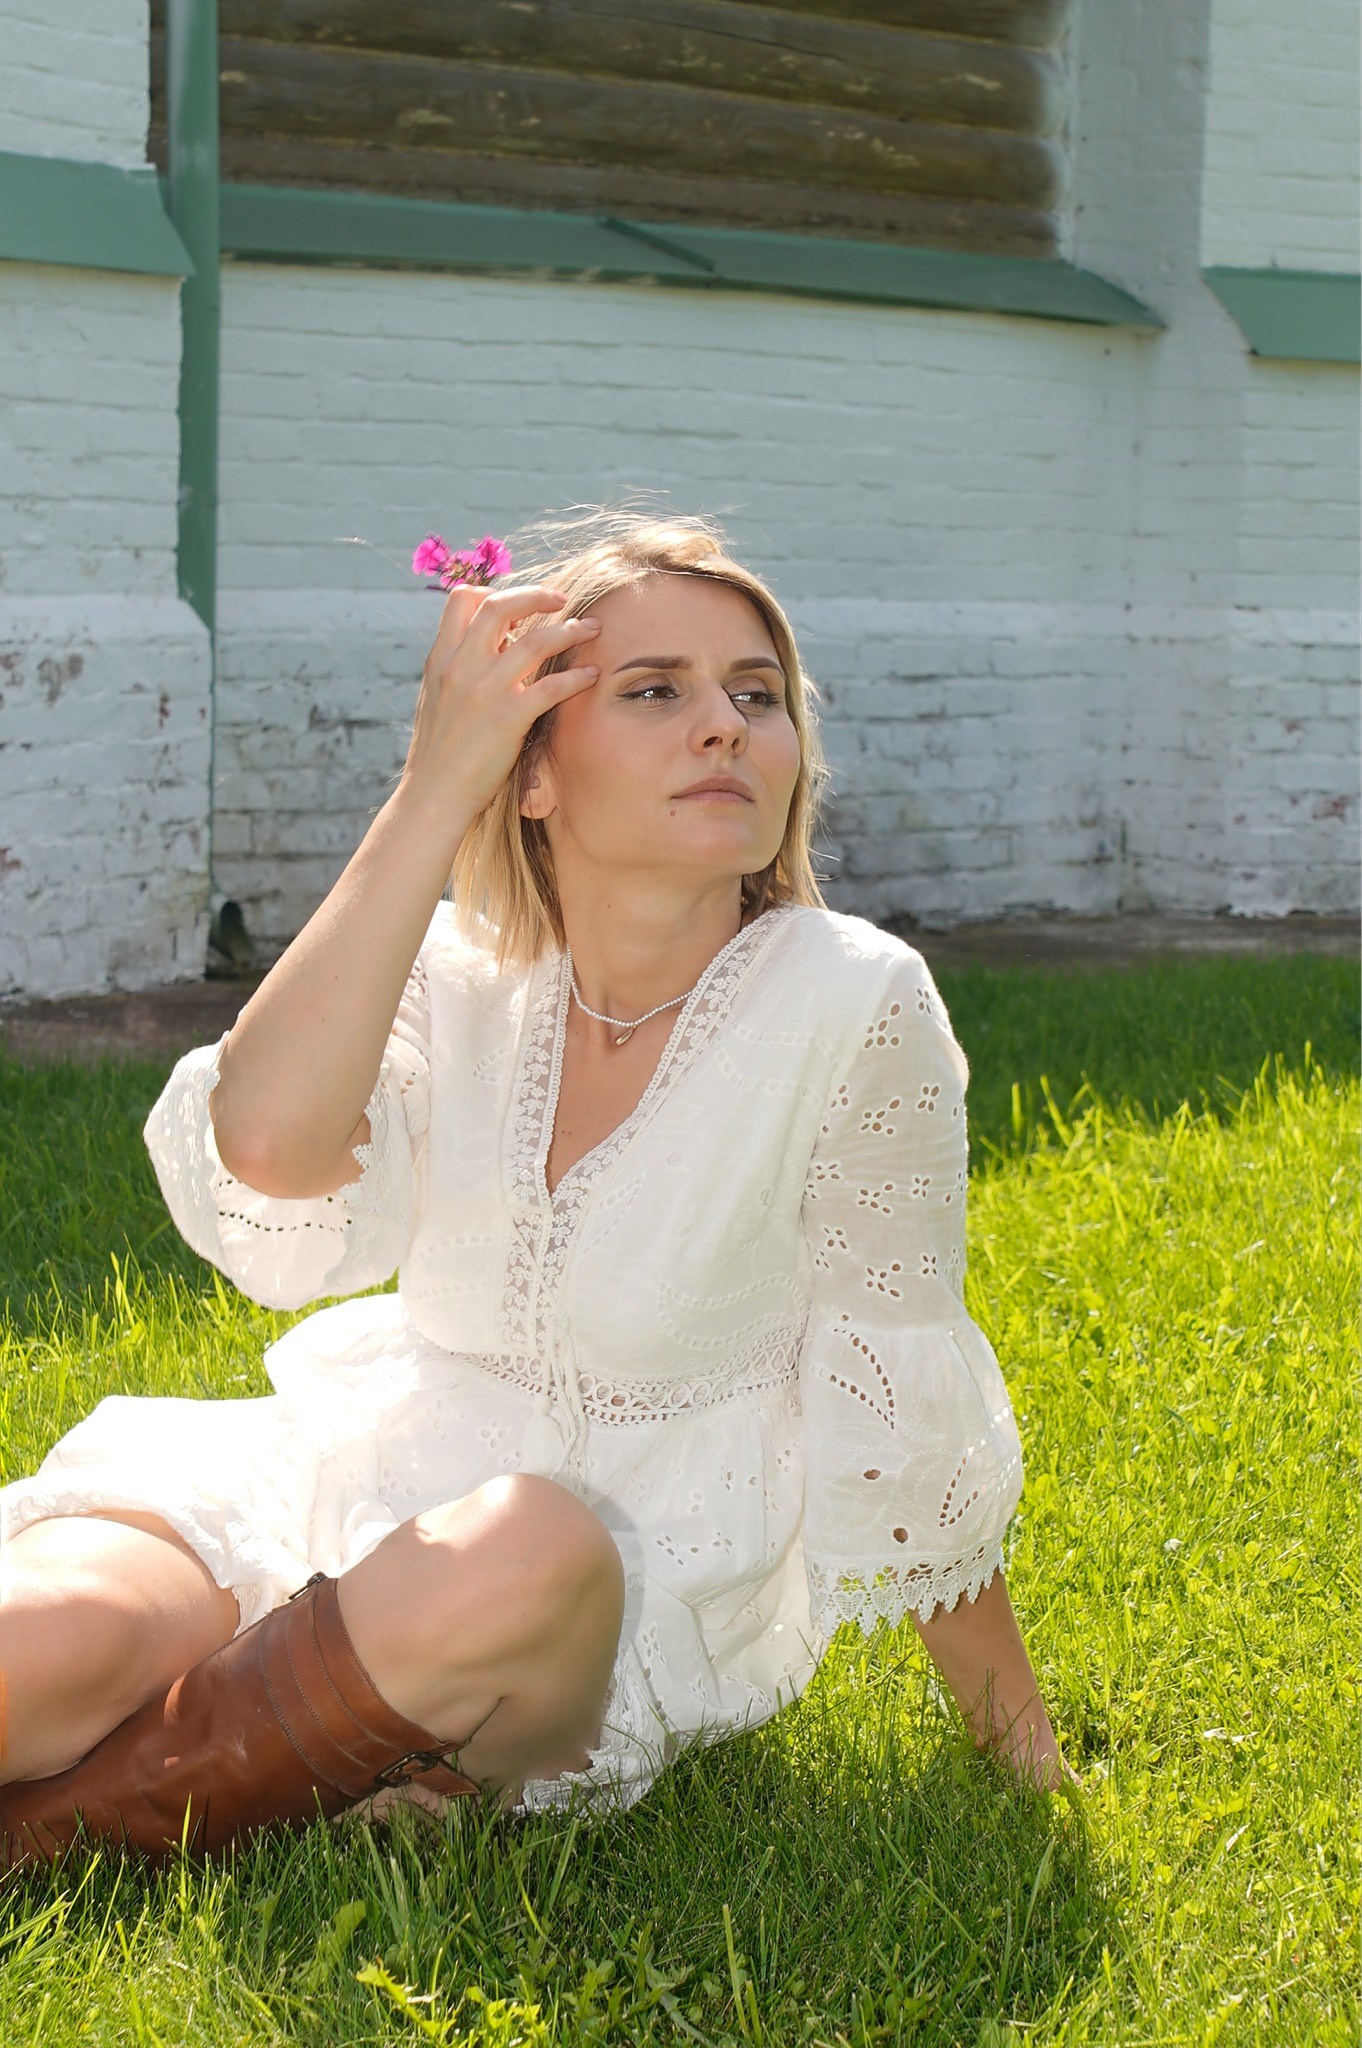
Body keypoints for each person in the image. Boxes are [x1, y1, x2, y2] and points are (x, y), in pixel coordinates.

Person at [0, 508, 1075, 1869]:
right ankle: (188, 1784)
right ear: (531, 773)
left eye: (756, 696)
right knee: (55, 1639)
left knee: (530, 1539)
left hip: (590, 1597)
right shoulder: (452, 969)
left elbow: (893, 1384)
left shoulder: (851, 999)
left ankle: (56, 1833)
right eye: (655, 691)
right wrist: (425, 798)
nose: (724, 727)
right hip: (344, 1483)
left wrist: (1022, 1752)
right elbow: (266, 1151)